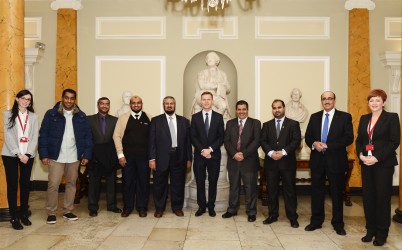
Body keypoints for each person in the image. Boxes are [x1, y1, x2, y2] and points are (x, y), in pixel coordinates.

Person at [38, 89, 93, 224]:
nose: (69, 101)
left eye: (72, 98)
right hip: (55, 157)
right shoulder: (51, 114)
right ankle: (51, 212)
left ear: (75, 100)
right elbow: (43, 134)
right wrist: (44, 154)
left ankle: (67, 210)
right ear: (62, 98)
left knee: (71, 184)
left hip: (74, 156)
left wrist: (86, 154)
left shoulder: (81, 116)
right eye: (66, 98)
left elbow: (88, 137)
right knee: (53, 184)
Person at [304, 91, 353, 236]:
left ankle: (338, 224)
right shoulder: (314, 117)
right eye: (324, 99)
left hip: (336, 160)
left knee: (337, 193)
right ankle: (316, 221)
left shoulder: (344, 117)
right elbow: (308, 137)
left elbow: (348, 138)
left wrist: (328, 145)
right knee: (316, 192)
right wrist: (314, 143)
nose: (327, 101)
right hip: (317, 160)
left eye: (329, 98)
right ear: (321, 101)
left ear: (334, 100)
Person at [356, 89, 400, 246]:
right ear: (368, 103)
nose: (374, 103)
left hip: (383, 164)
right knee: (368, 198)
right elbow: (359, 140)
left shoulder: (392, 118)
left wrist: (377, 157)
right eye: (371, 100)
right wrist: (361, 155)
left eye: (377, 100)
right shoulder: (364, 118)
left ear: (384, 102)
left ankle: (382, 233)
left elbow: (394, 141)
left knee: (382, 199)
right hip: (366, 163)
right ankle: (370, 230)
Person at [148, 96, 192, 218]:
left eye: (171, 103)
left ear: (175, 105)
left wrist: (189, 158)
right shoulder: (156, 121)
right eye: (167, 103)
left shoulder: (184, 121)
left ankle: (177, 207)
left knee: (178, 184)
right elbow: (151, 142)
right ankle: (159, 208)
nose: (169, 105)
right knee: (159, 184)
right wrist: (152, 159)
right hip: (161, 158)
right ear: (163, 105)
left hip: (179, 157)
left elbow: (188, 142)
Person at [260, 99, 301, 228]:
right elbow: (263, 141)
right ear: (272, 109)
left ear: (284, 108)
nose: (277, 110)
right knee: (272, 190)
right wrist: (271, 153)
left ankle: (292, 217)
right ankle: (273, 215)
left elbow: (296, 140)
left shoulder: (293, 124)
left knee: (289, 190)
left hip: (287, 162)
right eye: (274, 108)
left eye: (279, 107)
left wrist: (283, 152)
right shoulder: (266, 125)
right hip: (271, 163)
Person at [1, 90, 38, 230]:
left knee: (25, 185)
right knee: (12, 185)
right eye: (23, 98)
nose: (26, 101)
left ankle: (23, 214)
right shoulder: (8, 114)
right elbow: (8, 135)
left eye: (29, 99)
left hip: (28, 155)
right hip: (11, 155)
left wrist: (28, 154)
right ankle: (13, 217)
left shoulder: (33, 116)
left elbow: (34, 136)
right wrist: (18, 154)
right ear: (17, 99)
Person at [222, 100, 261, 222]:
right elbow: (226, 141)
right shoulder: (230, 123)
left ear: (247, 110)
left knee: (250, 187)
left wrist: (243, 154)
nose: (241, 111)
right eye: (239, 109)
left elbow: (256, 141)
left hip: (249, 160)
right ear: (236, 110)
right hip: (234, 161)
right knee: (234, 186)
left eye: (244, 109)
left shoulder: (255, 123)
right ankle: (232, 209)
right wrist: (234, 154)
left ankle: (251, 211)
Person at [113, 95, 151, 218]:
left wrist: (152, 157)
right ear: (130, 104)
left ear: (142, 104)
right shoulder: (123, 118)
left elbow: (153, 139)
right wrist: (120, 155)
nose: (136, 105)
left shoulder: (149, 118)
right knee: (127, 183)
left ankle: (142, 208)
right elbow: (116, 136)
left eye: (138, 102)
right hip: (127, 159)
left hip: (144, 159)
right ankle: (127, 208)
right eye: (133, 103)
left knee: (143, 183)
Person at [191, 91, 224, 217]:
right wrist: (203, 151)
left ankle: (211, 207)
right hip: (200, 156)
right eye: (203, 99)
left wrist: (210, 149)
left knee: (213, 181)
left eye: (208, 99)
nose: (206, 101)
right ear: (201, 101)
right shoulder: (195, 117)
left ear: (212, 101)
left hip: (214, 155)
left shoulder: (218, 117)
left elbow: (221, 137)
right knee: (200, 181)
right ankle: (201, 207)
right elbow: (193, 137)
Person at [87, 97, 122, 217]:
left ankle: (112, 206)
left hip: (110, 154)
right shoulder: (89, 119)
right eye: (102, 104)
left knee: (111, 181)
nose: (104, 106)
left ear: (109, 106)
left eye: (107, 104)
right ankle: (92, 207)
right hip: (95, 154)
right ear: (98, 105)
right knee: (94, 182)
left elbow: (118, 137)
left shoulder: (115, 120)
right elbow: (86, 137)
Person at [191, 51, 231, 121]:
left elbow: (228, 89)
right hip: (203, 95)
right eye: (208, 58)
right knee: (204, 103)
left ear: (216, 60)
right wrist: (216, 85)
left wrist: (223, 85)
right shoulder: (201, 73)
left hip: (217, 96)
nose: (209, 60)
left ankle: (216, 122)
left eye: (212, 58)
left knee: (223, 105)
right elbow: (202, 85)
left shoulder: (222, 74)